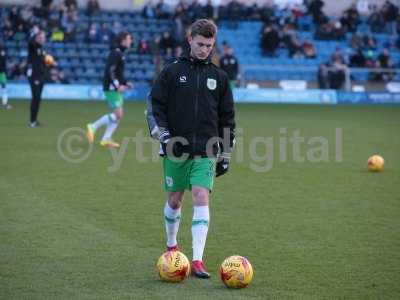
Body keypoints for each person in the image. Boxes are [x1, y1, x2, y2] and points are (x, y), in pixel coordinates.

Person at [146, 19, 235, 279]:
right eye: (200, 44)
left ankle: (197, 260)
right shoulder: (172, 71)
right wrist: (162, 134)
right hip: (175, 148)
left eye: (209, 45)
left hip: (206, 149)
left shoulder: (219, 77)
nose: (204, 49)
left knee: (200, 195)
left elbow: (228, 118)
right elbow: (154, 106)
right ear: (190, 40)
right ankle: (172, 246)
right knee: (175, 199)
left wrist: (226, 153)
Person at [86, 31, 133, 148]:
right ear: (123, 40)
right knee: (118, 114)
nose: (130, 41)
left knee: (118, 114)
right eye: (129, 38)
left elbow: (118, 73)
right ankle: (93, 126)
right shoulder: (116, 53)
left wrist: (126, 83)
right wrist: (118, 85)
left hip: (114, 87)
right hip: (111, 88)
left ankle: (106, 139)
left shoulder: (120, 54)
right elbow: (110, 71)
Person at [27, 30, 50, 127]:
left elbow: (43, 62)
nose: (43, 39)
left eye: (44, 37)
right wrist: (34, 33)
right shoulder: (33, 46)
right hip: (34, 76)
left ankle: (34, 121)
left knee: (38, 99)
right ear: (37, 38)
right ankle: (32, 121)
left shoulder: (41, 49)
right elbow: (30, 42)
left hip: (40, 76)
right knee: (35, 98)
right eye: (41, 37)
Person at [0, 43, 11, 109]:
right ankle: (4, 104)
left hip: (2, 72)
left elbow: (5, 59)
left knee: (4, 88)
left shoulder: (3, 50)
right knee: (4, 88)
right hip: (2, 72)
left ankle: (4, 104)